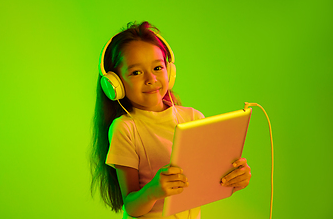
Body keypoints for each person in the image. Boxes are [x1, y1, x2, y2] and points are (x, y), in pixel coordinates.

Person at [91, 21, 252, 219]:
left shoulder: (193, 118)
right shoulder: (125, 128)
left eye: (158, 67)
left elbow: (208, 183)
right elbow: (131, 206)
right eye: (136, 72)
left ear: (170, 71)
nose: (151, 79)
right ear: (115, 84)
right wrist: (153, 190)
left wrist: (235, 180)